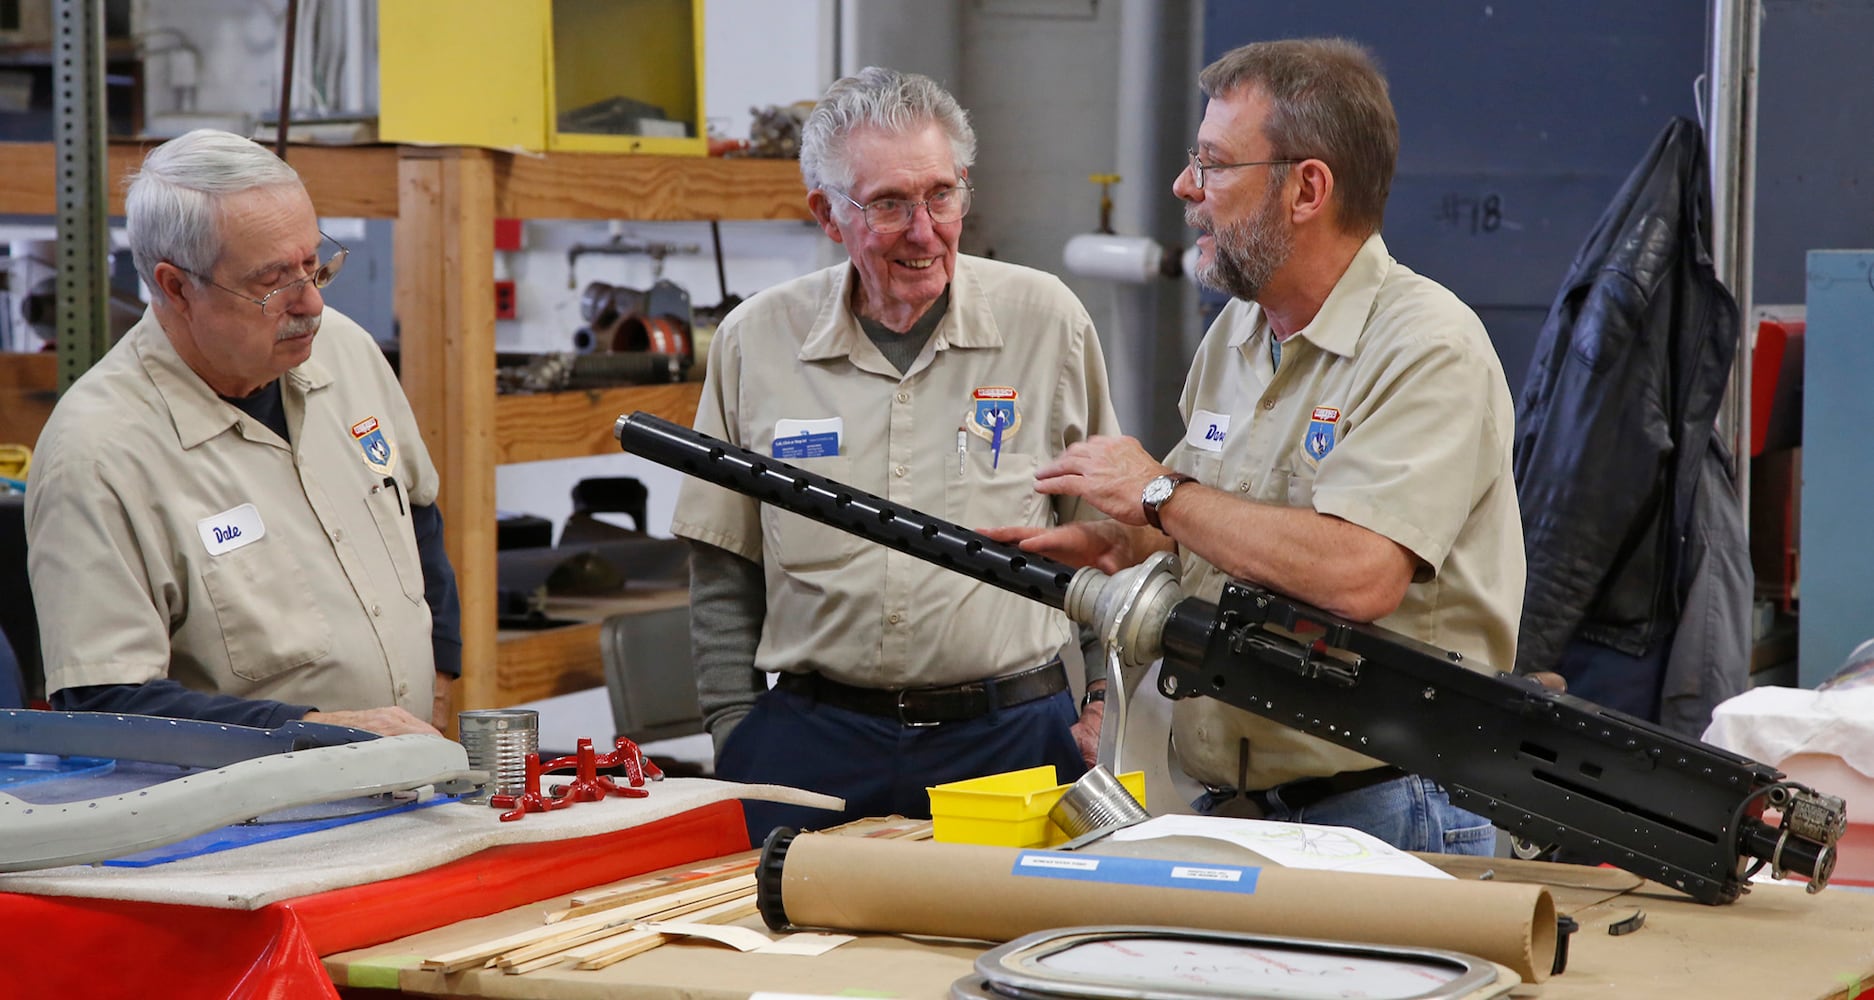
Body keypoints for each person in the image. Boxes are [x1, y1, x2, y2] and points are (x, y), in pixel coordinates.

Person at [986, 39, 1523, 855]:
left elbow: (1360, 571)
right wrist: (1126, 539)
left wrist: (1161, 496)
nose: (1184, 188)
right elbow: (1222, 521)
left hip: (1385, 806)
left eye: (1212, 164)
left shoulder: (1428, 346)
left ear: (1307, 188)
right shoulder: (1240, 330)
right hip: (1240, 806)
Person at [671, 67, 1121, 841]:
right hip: (813, 741)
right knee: (781, 950)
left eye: (941, 195)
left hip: (1011, 738)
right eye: (889, 204)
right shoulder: (757, 341)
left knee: (1004, 945)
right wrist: (736, 730)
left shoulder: (1045, 321)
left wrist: (1103, 708)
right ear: (827, 213)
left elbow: (1106, 543)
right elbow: (724, 565)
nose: (924, 230)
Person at [25, 129, 458, 737]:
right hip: (249, 823)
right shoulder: (99, 453)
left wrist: (435, 699)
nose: (310, 304)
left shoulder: (347, 350)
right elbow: (106, 703)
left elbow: (417, 518)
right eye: (273, 281)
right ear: (176, 287)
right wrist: (323, 730)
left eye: (314, 264)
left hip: (405, 787)